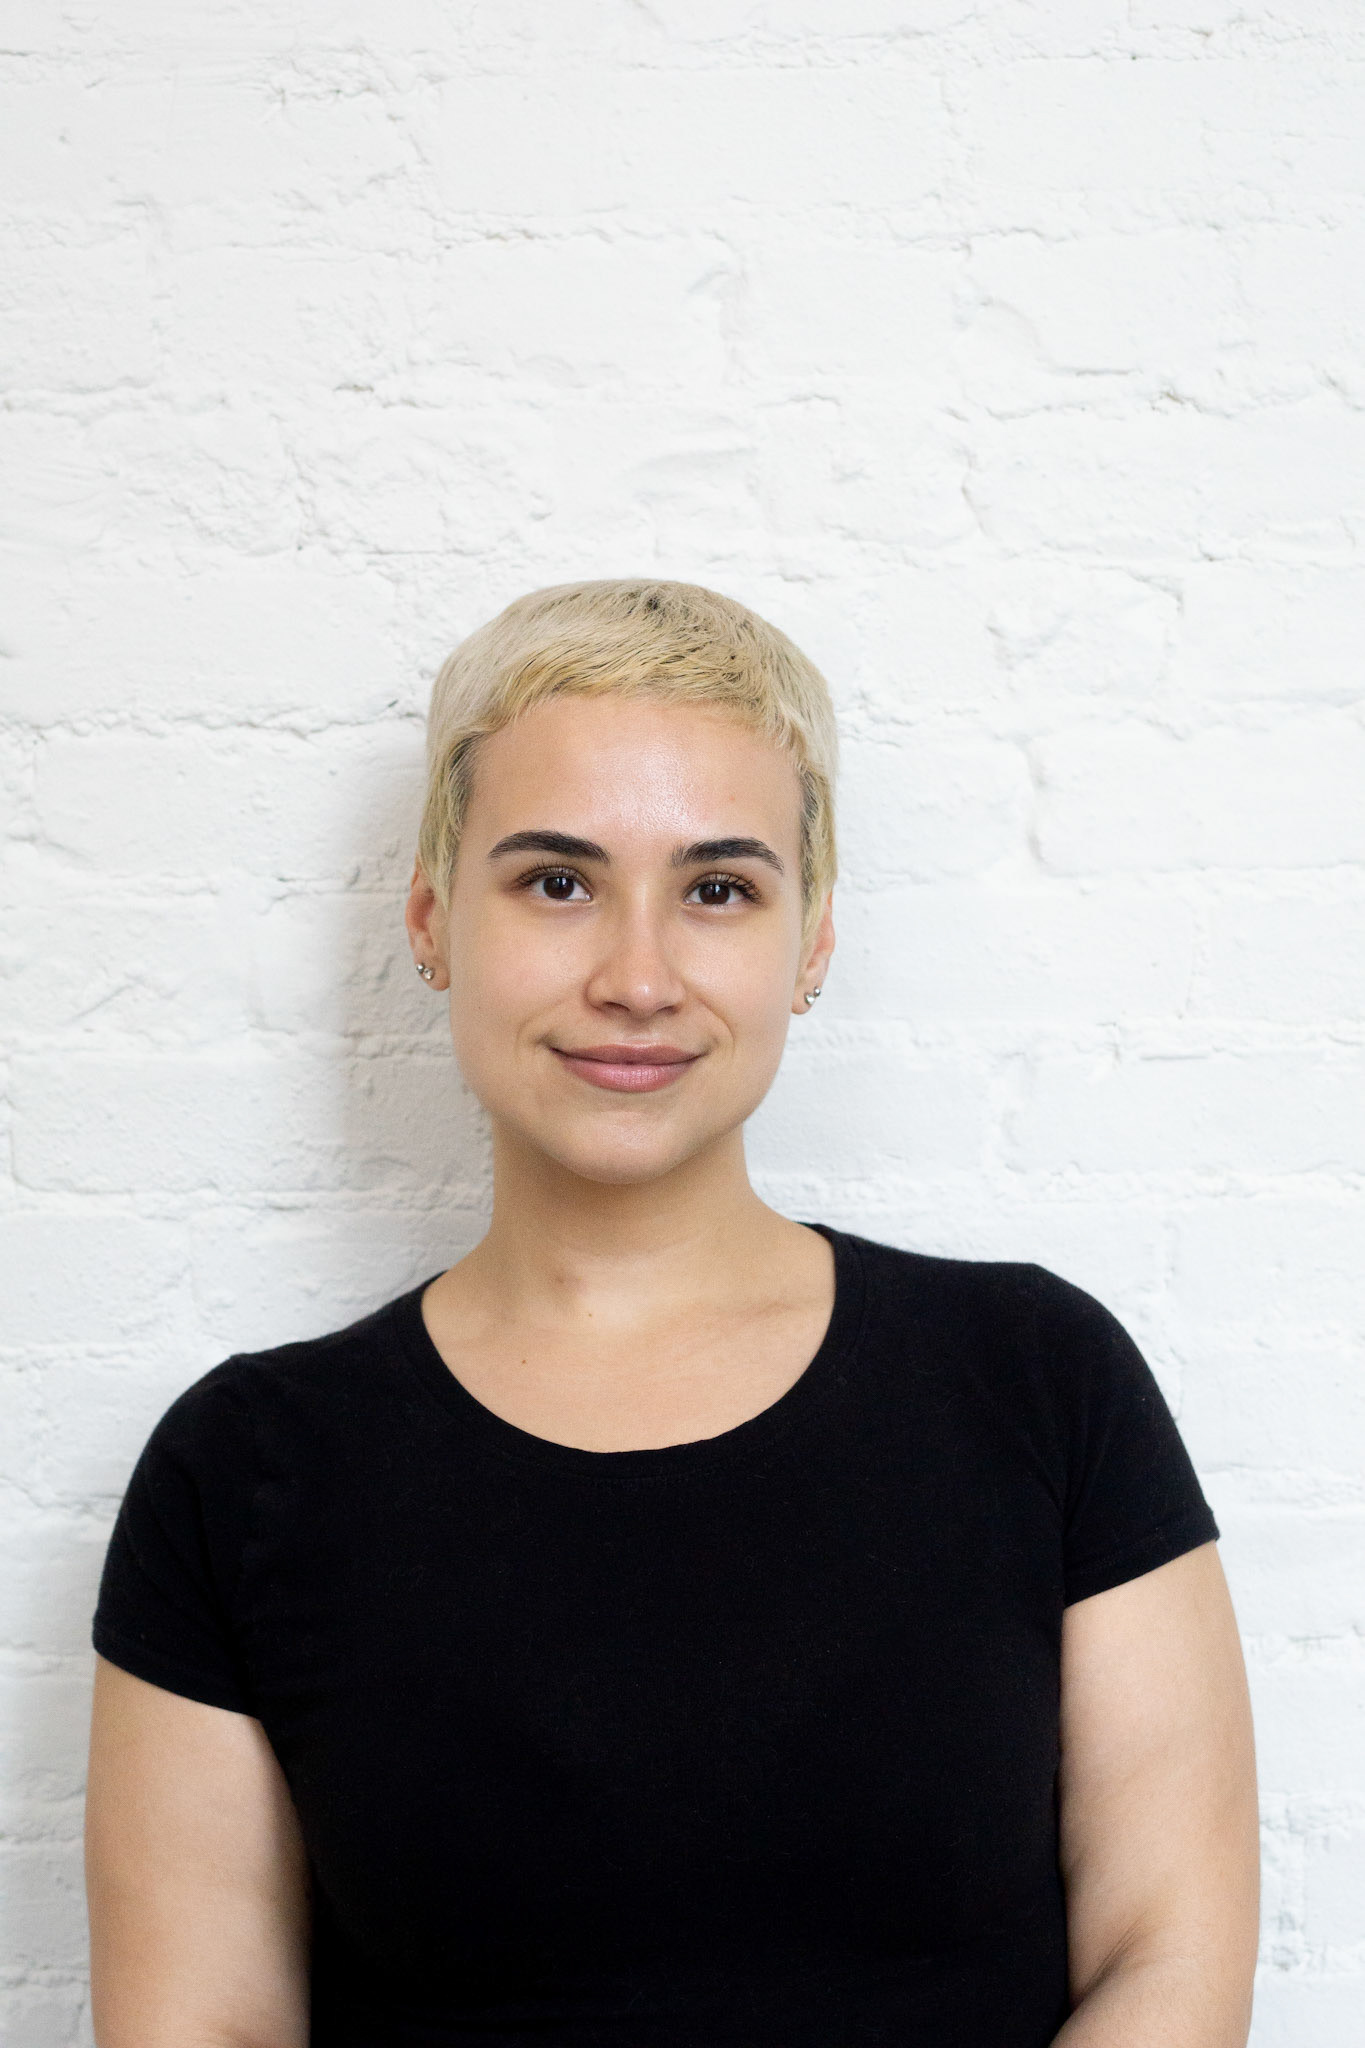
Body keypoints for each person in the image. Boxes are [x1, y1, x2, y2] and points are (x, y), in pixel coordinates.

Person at [84, 579, 1259, 2048]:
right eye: (556, 882)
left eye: (717, 891)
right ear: (434, 921)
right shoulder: (244, 1469)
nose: (635, 979)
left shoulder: (1035, 1382)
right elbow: (198, 2025)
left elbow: (1170, 1957)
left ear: (809, 943)